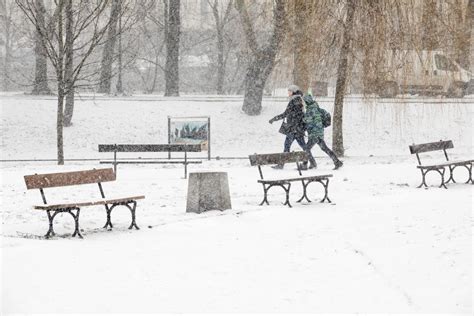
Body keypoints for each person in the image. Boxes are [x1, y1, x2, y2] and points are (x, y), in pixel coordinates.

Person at [269, 84, 317, 169]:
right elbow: (300, 115)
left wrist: (274, 119)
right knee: (304, 147)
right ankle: (312, 162)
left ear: (293, 92)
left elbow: (286, 114)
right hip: (298, 129)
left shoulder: (294, 101)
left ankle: (281, 164)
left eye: (290, 91)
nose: (288, 93)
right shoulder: (299, 100)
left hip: (293, 129)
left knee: (287, 146)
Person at [302, 93, 343, 170]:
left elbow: (310, 122)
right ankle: (337, 161)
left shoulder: (311, 110)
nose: (304, 102)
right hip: (319, 133)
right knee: (324, 148)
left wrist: (304, 121)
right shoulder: (316, 108)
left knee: (306, 149)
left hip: (314, 134)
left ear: (307, 101)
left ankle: (305, 165)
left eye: (304, 101)